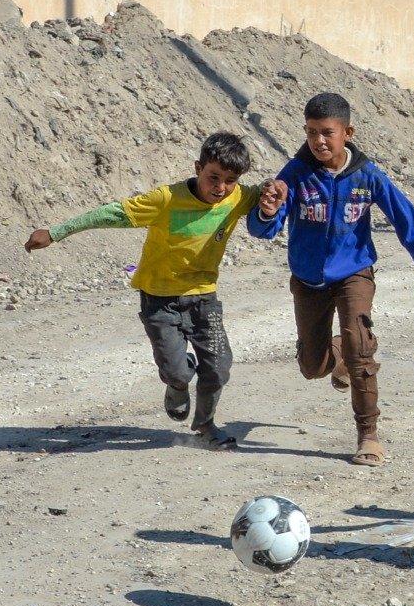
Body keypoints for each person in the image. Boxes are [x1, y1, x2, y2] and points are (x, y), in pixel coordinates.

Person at [246, 92, 414, 467]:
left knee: (362, 350)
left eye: (326, 132)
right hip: (308, 280)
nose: (318, 141)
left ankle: (368, 434)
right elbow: (265, 230)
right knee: (313, 367)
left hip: (355, 272)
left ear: (347, 132)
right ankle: (340, 351)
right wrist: (266, 209)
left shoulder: (367, 176)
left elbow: (408, 222)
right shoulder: (293, 175)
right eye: (311, 133)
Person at [24, 132, 259, 449]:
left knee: (218, 368)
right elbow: (112, 213)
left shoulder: (237, 197)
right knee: (178, 372)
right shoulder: (166, 200)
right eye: (213, 177)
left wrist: (277, 189)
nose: (220, 188)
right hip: (159, 302)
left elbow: (274, 191)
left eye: (229, 181)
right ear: (197, 168)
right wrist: (55, 232)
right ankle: (177, 381)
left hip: (204, 299)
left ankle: (206, 426)